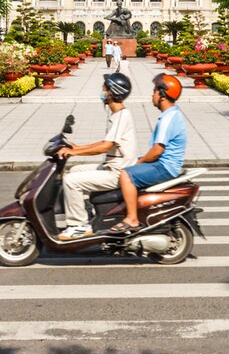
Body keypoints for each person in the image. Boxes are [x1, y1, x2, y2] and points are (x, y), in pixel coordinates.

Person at [56, 73, 136, 240]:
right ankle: (87, 212)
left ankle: (78, 225)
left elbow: (105, 146)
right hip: (112, 167)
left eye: (104, 88)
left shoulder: (122, 115)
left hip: (119, 173)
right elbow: (105, 141)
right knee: (75, 170)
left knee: (71, 181)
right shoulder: (116, 115)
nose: (102, 91)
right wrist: (78, 147)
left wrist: (74, 152)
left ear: (112, 92)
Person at [111, 73, 186, 234]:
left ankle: (132, 219)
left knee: (126, 175)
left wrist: (140, 162)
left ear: (163, 95)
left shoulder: (168, 119)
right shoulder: (172, 114)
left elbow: (157, 151)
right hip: (165, 164)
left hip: (164, 166)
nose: (152, 95)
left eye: (154, 92)